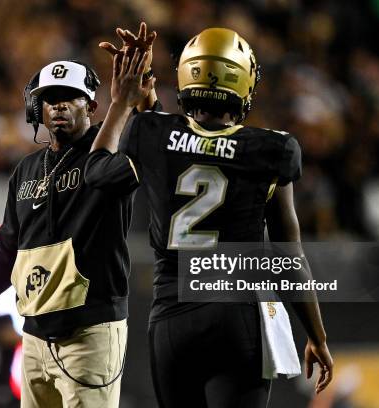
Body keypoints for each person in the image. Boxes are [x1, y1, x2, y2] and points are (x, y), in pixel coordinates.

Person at [86, 27, 334, 407]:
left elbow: (99, 170)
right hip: (236, 316)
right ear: (244, 82)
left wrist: (122, 100)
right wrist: (317, 335)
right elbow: (290, 256)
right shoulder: (272, 149)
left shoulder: (149, 132)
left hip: (171, 317)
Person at [0, 25, 158, 408]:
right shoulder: (25, 170)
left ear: (90, 106)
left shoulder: (106, 158)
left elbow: (156, 150)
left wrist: (142, 104)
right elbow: (8, 251)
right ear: (35, 109)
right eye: (49, 99)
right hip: (35, 336)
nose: (58, 105)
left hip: (91, 332)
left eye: (69, 98)